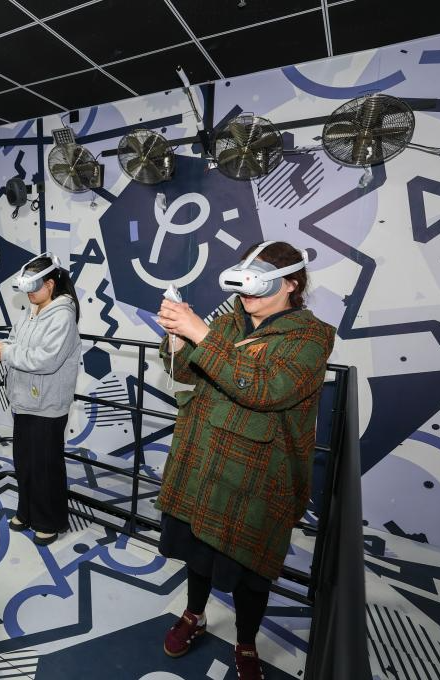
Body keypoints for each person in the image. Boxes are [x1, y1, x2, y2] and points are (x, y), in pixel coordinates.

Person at [154, 241, 335, 679]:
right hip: (203, 460)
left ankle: (246, 642)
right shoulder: (228, 320)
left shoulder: (311, 337)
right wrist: (176, 338)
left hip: (255, 474)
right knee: (198, 552)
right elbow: (184, 371)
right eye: (244, 278)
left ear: (291, 284)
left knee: (251, 570)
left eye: (260, 280)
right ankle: (194, 615)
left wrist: (201, 335)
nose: (247, 291)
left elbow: (266, 389)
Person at [0, 252, 81, 546]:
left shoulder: (63, 315)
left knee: (45, 466)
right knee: (25, 461)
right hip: (24, 399)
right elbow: (20, 343)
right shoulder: (31, 310)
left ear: (50, 284)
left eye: (33, 287)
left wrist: (7, 353)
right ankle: (27, 512)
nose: (28, 293)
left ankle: (48, 521)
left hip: (47, 404)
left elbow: (47, 359)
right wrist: (6, 346)